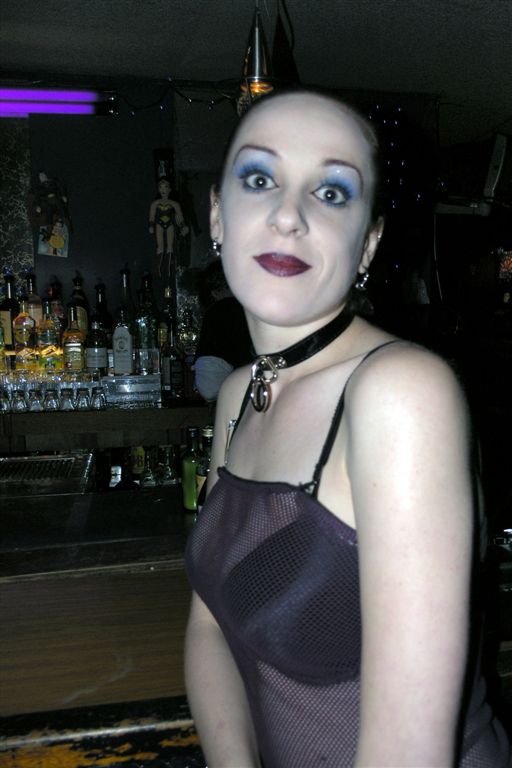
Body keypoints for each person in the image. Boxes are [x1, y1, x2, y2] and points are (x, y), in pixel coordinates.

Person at [184, 89, 511, 767]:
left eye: (331, 192)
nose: (288, 215)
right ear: (217, 214)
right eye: (259, 179)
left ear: (368, 243)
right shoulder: (240, 395)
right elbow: (208, 629)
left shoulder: (400, 392)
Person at [194, 259, 253, 402]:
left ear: (214, 292)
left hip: (241, 407)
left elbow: (209, 388)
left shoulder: (219, 312)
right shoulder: (260, 310)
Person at [148, 176, 189, 277]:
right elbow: (152, 216)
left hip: (170, 224)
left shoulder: (174, 204)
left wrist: (183, 226)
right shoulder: (155, 203)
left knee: (170, 246)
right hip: (159, 224)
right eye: (160, 187)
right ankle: (157, 269)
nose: (163, 190)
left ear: (170, 189)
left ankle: (167, 269)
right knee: (160, 246)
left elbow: (179, 216)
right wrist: (151, 225)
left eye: (165, 187)